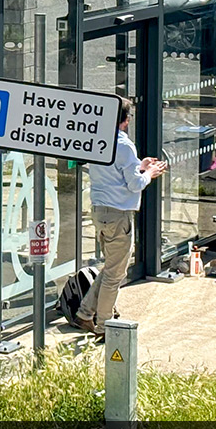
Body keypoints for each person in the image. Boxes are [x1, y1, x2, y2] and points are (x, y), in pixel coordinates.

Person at [76, 95, 167, 340]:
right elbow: (135, 184)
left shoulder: (97, 138)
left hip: (101, 210)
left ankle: (85, 313)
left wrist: (139, 166)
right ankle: (104, 326)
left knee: (111, 267)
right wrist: (150, 172)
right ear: (125, 121)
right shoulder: (124, 144)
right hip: (118, 214)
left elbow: (116, 173)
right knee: (116, 274)